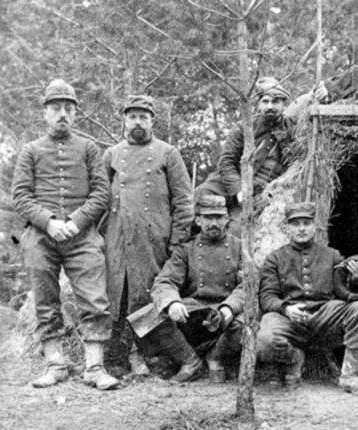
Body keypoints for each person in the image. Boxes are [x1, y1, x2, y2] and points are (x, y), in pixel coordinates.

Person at [12, 79, 119, 390]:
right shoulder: (31, 151)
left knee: (95, 300)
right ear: (45, 113)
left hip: (81, 236)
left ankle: (94, 368)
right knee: (45, 301)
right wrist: (48, 222)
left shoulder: (88, 149)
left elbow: (101, 193)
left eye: (68, 109)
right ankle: (55, 365)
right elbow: (20, 196)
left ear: (75, 114)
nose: (62, 114)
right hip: (41, 236)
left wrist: (76, 221)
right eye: (56, 108)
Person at [102, 95, 194, 375]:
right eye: (132, 117)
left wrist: (177, 241)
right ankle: (120, 357)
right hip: (118, 238)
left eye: (144, 117)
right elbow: (100, 199)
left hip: (154, 240)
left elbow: (184, 201)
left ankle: (154, 356)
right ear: (124, 120)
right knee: (118, 296)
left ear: (153, 121)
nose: (138, 122)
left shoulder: (168, 153)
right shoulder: (112, 155)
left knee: (149, 296)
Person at [257, 202, 358, 395]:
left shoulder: (332, 255)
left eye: (306, 223)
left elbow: (344, 292)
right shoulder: (275, 258)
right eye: (296, 224)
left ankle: (349, 376)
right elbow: (267, 297)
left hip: (325, 317)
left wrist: (356, 279)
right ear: (287, 228)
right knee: (264, 338)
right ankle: (293, 358)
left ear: (315, 226)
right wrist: (285, 308)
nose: (302, 228)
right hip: (290, 319)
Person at [127, 195, 245, 383]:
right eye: (208, 218)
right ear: (198, 220)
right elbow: (165, 281)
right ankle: (190, 361)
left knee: (244, 325)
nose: (214, 223)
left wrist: (230, 307)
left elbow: (247, 285)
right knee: (147, 316)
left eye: (218, 217)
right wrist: (172, 302)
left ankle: (216, 356)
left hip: (226, 311)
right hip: (194, 310)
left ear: (226, 219)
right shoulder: (186, 249)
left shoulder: (240, 248)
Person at [196, 77, 294, 233]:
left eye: (275, 102)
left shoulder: (292, 130)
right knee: (198, 199)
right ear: (258, 104)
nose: (270, 106)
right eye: (265, 101)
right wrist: (239, 190)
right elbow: (226, 162)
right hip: (227, 184)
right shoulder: (244, 127)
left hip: (259, 193)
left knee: (236, 231)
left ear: (284, 104)